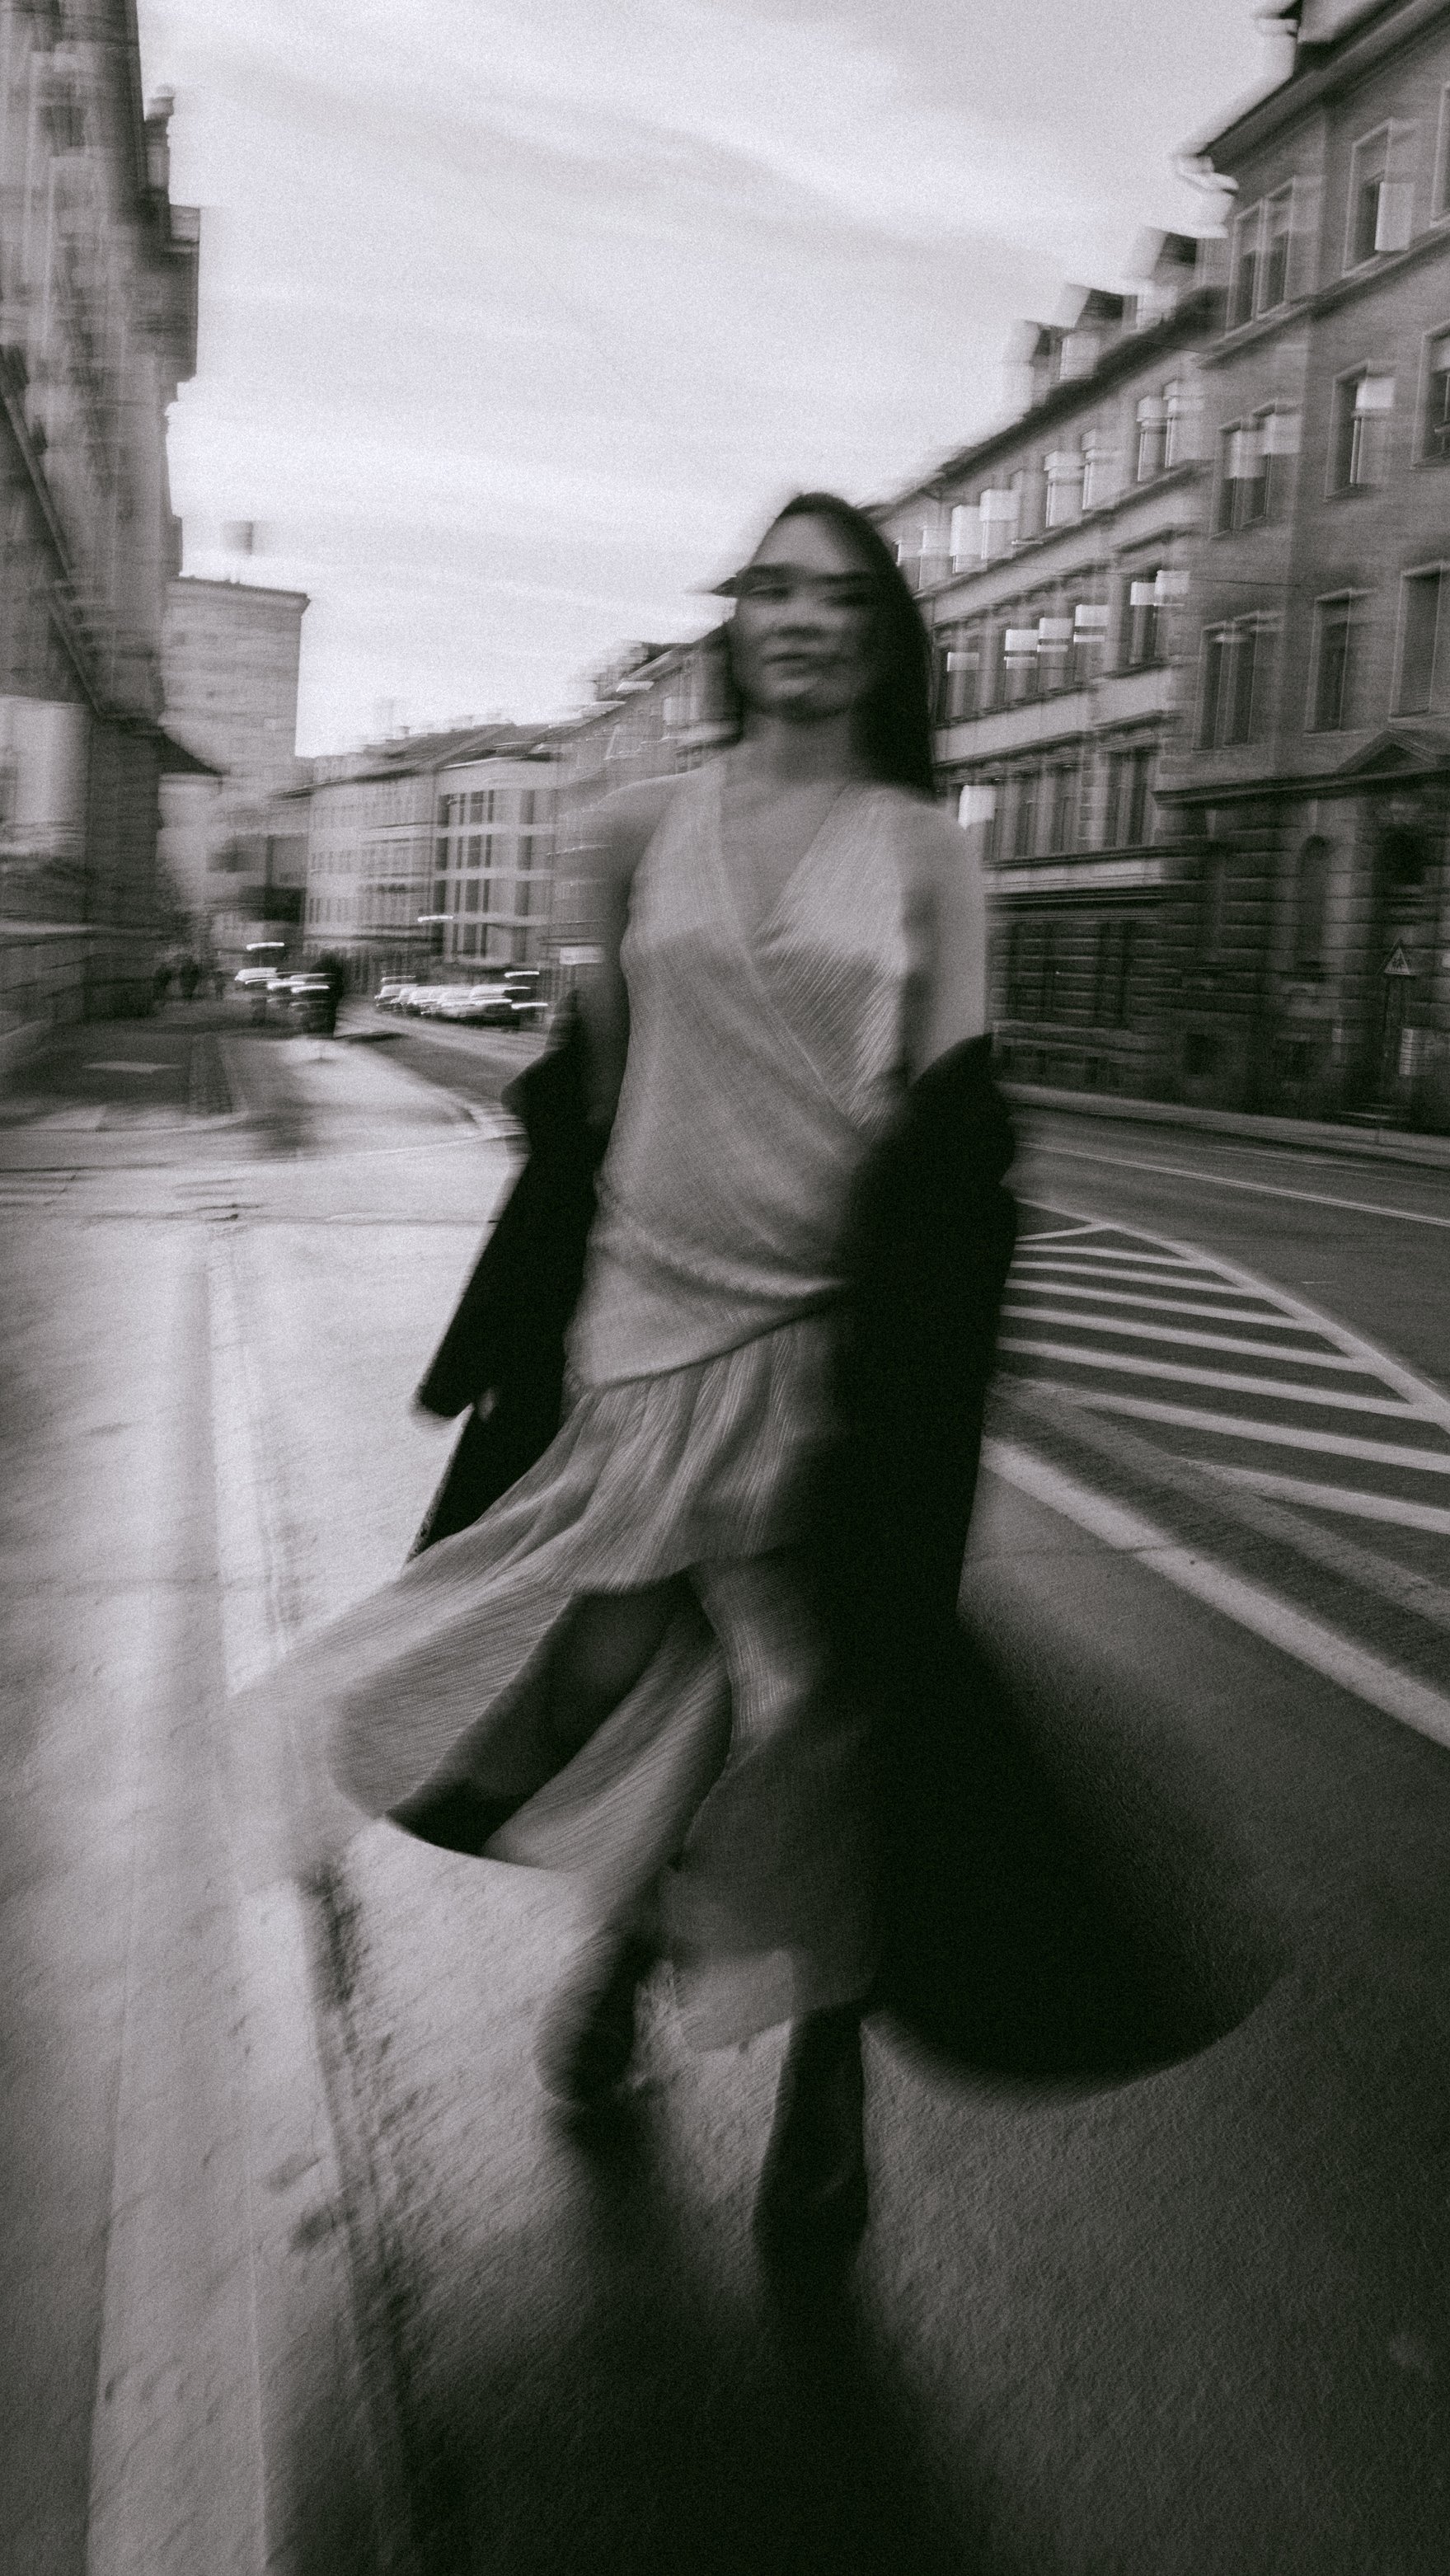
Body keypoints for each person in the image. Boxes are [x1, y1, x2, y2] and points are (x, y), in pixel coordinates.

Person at [287, 492, 988, 2250]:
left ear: (884, 637)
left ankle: (822, 2058)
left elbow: (956, 1137)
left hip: (818, 1346)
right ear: (732, 624)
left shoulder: (929, 853)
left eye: (839, 594)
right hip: (636, 1324)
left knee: (818, 1714)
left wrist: (922, 1383)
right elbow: (591, 1090)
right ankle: (619, 1952)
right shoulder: (627, 830)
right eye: (769, 585)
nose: (801, 616)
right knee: (606, 1679)